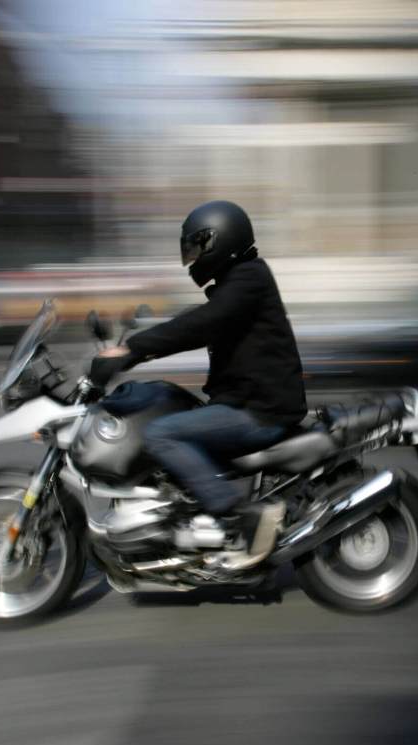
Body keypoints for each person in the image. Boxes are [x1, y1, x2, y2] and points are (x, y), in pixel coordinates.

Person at [88, 200, 307, 557]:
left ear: (217, 241)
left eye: (195, 248)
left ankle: (235, 515)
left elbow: (204, 323)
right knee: (167, 409)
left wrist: (133, 351)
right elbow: (201, 323)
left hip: (261, 410)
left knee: (160, 433)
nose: (191, 259)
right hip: (246, 400)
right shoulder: (237, 281)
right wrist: (139, 343)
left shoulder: (249, 278)